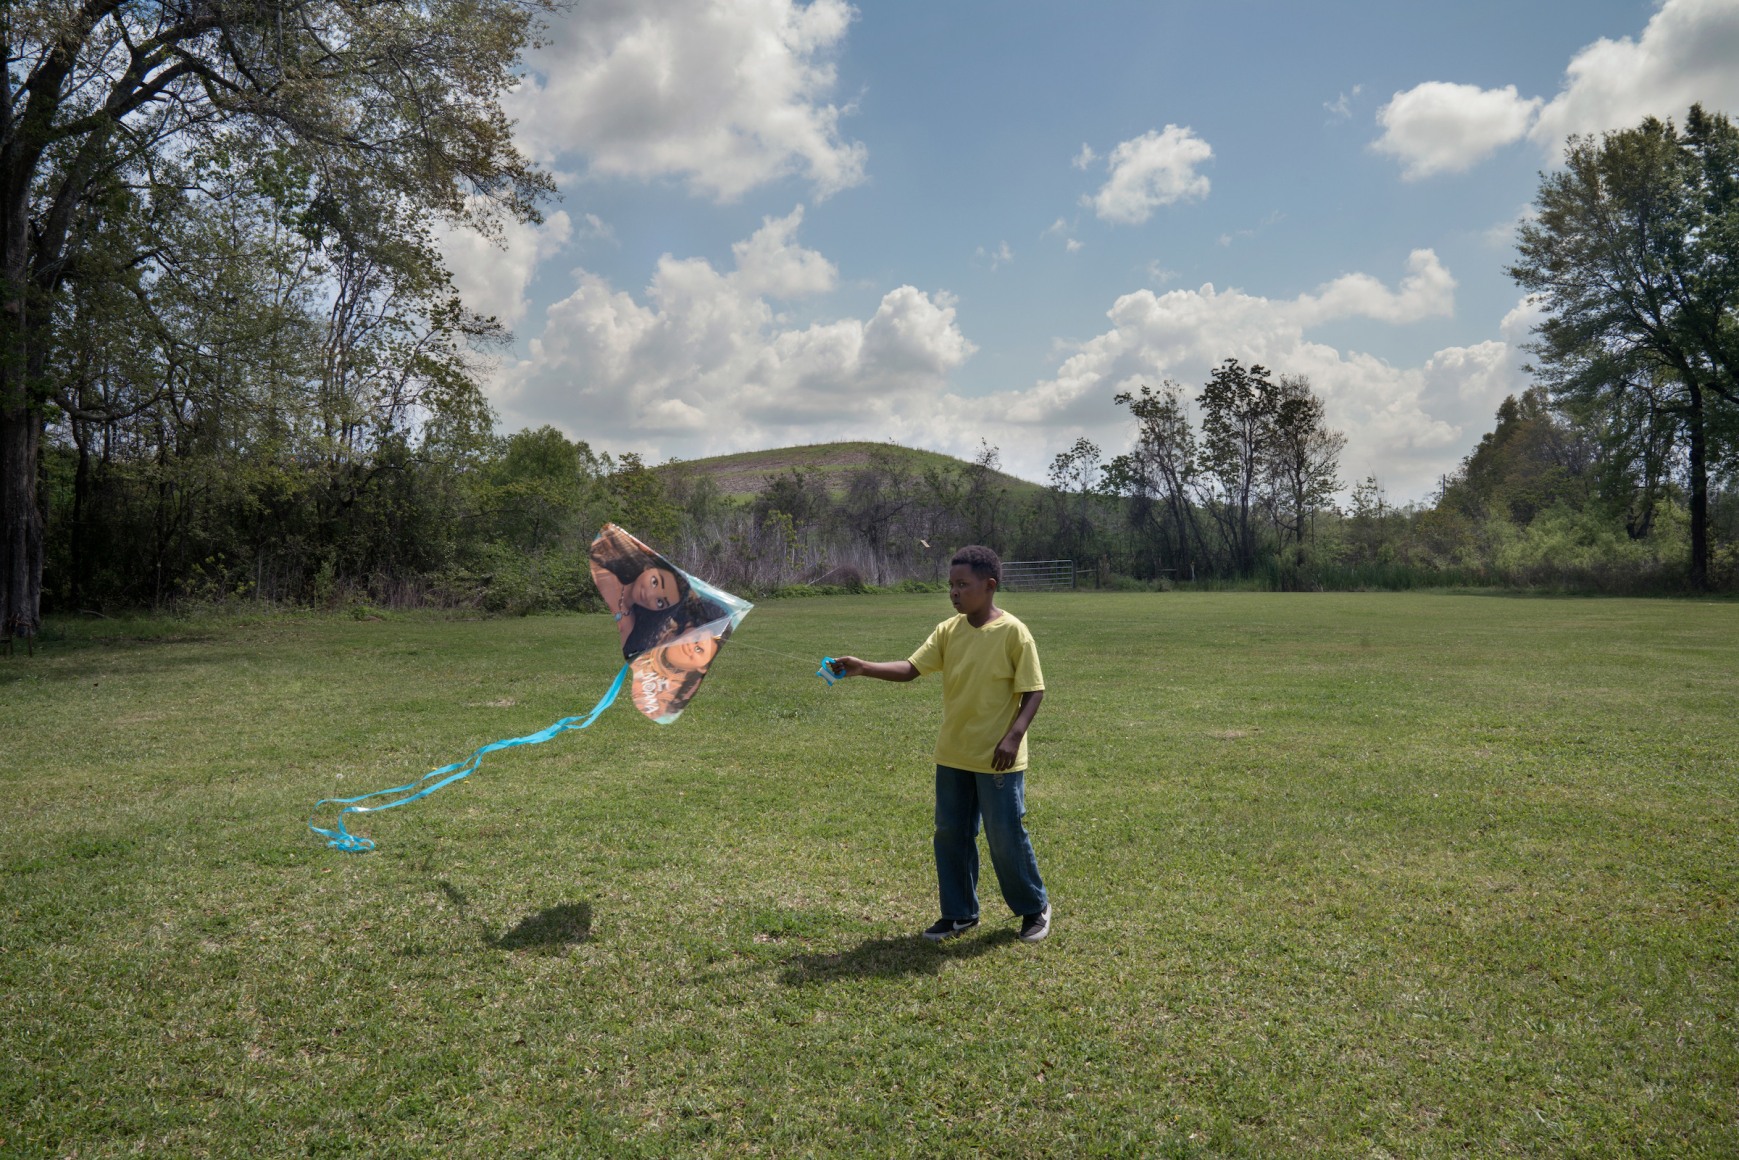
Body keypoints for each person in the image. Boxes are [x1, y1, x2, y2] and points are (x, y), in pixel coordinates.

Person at [829, 545, 1051, 943]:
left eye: (963, 585)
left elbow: (1033, 690)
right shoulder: (948, 631)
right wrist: (863, 667)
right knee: (951, 833)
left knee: (1005, 835)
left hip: (998, 756)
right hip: (954, 753)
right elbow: (912, 669)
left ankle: (1034, 907)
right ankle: (959, 913)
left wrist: (1013, 737)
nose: (954, 593)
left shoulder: (1013, 632)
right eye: (951, 585)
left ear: (989, 586)